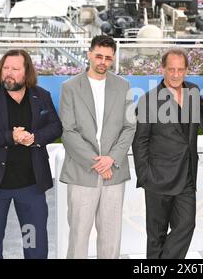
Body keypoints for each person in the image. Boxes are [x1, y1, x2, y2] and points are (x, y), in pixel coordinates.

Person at [0, 49, 62, 259]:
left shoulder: (41, 96)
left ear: (26, 72)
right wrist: (11, 137)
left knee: (34, 245)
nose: (8, 72)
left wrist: (35, 138)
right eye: (6, 67)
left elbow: (55, 127)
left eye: (15, 69)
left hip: (31, 187)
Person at [59, 35, 136, 259]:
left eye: (108, 58)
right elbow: (68, 131)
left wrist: (111, 159)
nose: (103, 61)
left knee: (111, 239)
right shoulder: (70, 87)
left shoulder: (124, 86)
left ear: (113, 60)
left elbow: (130, 127)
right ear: (89, 54)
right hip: (82, 173)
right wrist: (98, 163)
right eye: (99, 56)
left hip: (114, 173)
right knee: (78, 238)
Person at [132, 47, 203, 259]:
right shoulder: (149, 99)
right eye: (171, 69)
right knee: (156, 236)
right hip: (157, 178)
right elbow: (140, 141)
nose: (175, 74)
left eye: (180, 70)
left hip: (186, 177)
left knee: (186, 225)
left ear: (187, 70)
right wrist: (145, 176)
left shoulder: (193, 92)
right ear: (162, 69)